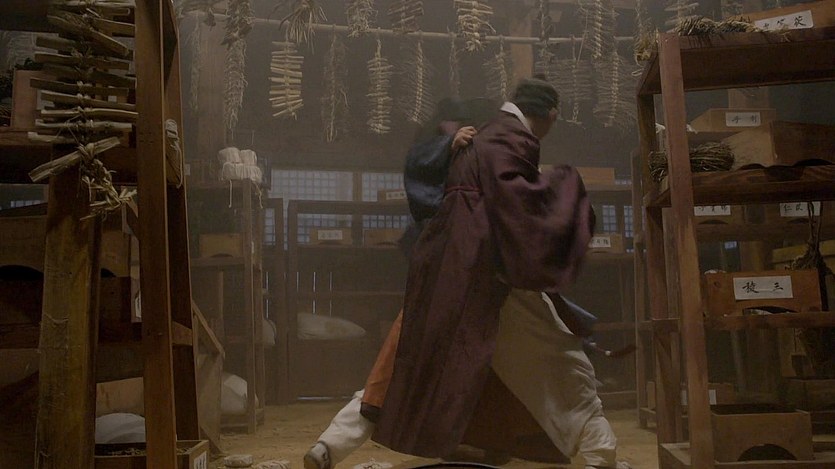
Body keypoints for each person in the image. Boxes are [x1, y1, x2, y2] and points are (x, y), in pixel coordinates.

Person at [306, 80, 630, 469]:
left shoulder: (482, 136)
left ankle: (331, 445)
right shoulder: (508, 138)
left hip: (445, 268)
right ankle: (601, 452)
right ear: (551, 115)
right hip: (486, 273)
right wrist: (566, 186)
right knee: (561, 357)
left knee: (407, 362)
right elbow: (514, 203)